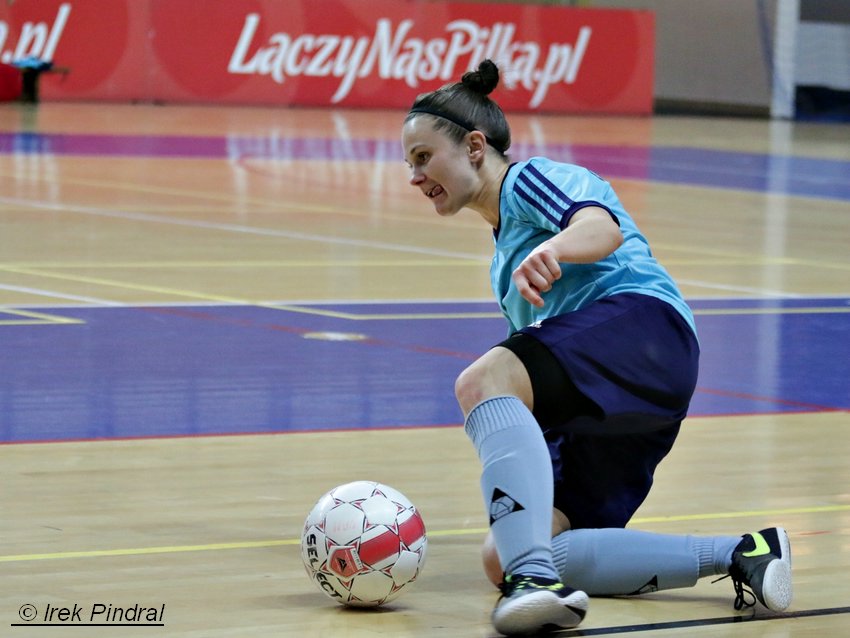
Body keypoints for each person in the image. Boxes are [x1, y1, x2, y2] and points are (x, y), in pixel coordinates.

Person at [401, 59, 793, 636]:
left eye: (422, 157)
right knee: (508, 551)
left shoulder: (528, 180)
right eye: (409, 163)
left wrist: (555, 247)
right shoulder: (501, 260)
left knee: (480, 382)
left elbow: (601, 227)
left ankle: (531, 582)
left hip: (646, 329)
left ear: (476, 146)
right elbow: (537, 382)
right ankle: (744, 552)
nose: (414, 176)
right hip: (615, 395)